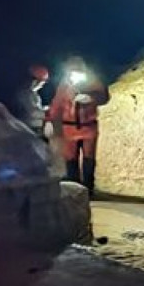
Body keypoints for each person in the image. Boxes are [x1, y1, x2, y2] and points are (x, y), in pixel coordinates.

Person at [47, 56, 109, 192]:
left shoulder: (93, 82)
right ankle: (74, 187)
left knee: (89, 157)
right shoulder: (64, 85)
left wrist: (91, 97)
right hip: (69, 127)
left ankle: (88, 188)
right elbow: (57, 105)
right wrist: (51, 122)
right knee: (70, 158)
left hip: (88, 127)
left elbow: (104, 97)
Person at [13, 64, 50, 136]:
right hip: (28, 129)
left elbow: (37, 109)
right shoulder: (25, 94)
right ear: (34, 81)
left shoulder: (34, 94)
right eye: (42, 82)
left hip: (35, 129)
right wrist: (49, 112)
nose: (42, 85)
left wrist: (47, 108)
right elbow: (33, 113)